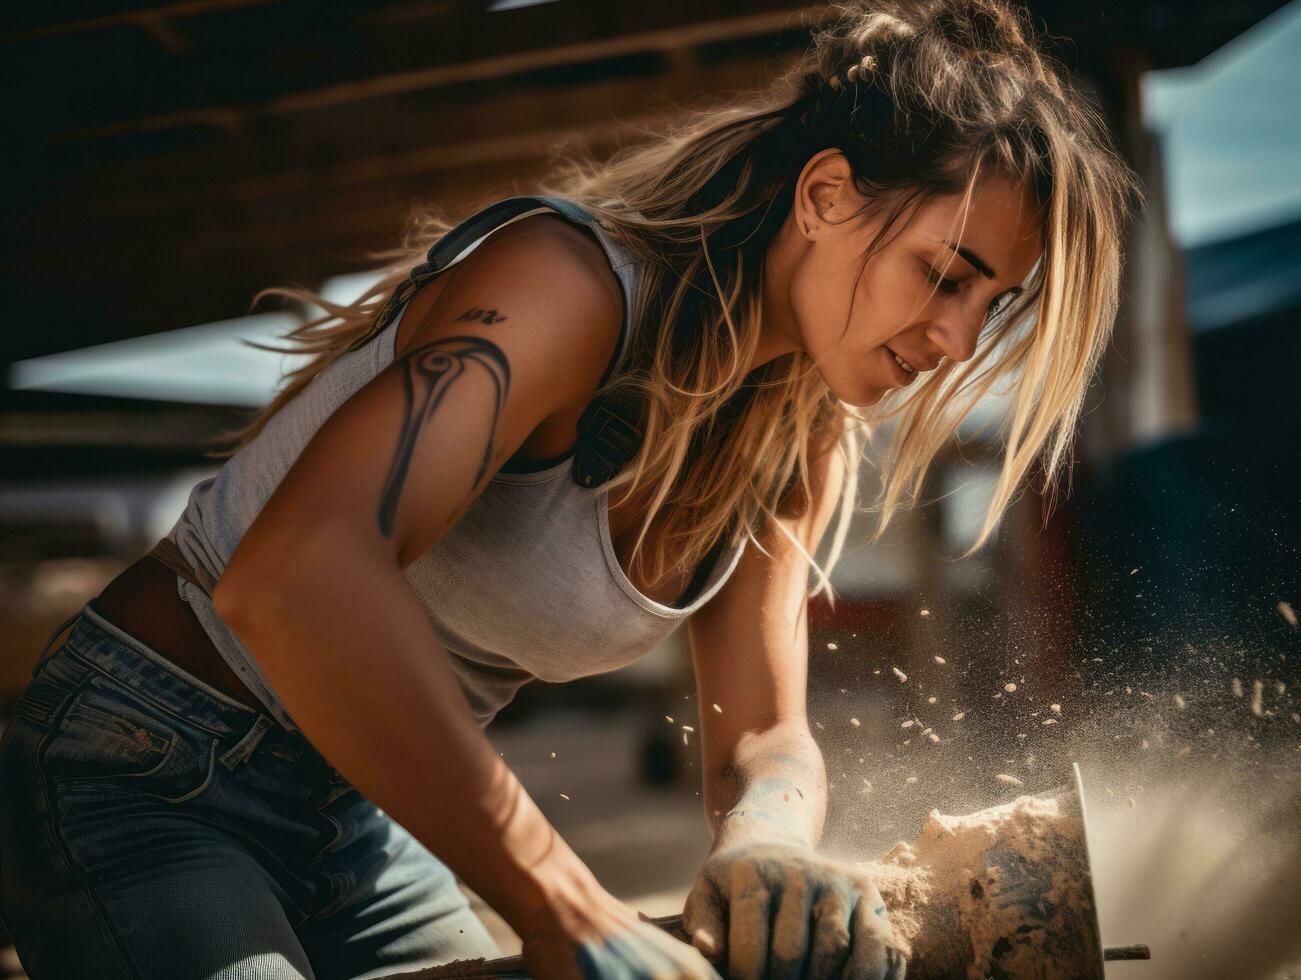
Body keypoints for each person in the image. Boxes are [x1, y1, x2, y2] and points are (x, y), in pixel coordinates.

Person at [0, 0, 1136, 977]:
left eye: (992, 305)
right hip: (148, 767)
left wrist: (768, 839)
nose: (953, 337)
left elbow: (765, 736)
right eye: (943, 275)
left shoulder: (797, 438)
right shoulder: (564, 288)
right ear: (826, 195)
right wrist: (557, 893)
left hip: (365, 808)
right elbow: (295, 578)